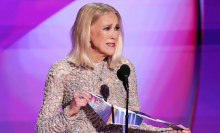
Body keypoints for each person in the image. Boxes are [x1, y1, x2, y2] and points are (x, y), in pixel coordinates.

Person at [35, 3, 191, 133]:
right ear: (87, 33)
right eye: (107, 28)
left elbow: (134, 125)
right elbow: (41, 129)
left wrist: (167, 132)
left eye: (116, 28)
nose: (114, 35)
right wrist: (70, 110)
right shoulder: (62, 71)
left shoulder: (124, 68)